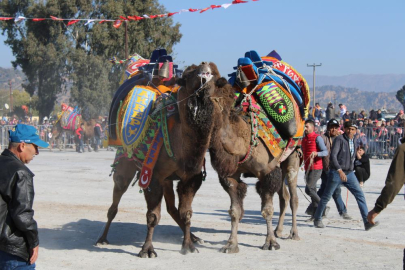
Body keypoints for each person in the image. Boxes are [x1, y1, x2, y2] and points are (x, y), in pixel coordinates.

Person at [0, 124, 49, 269]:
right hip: (12, 251)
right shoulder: (22, 173)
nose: (37, 152)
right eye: (35, 147)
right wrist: (34, 242)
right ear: (22, 145)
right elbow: (22, 215)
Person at [313, 121, 378, 230]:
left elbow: (352, 156)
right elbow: (333, 156)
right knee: (326, 197)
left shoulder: (355, 141)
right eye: (348, 128)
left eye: (353, 129)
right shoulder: (339, 140)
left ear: (356, 130)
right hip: (336, 173)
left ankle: (367, 222)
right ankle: (317, 218)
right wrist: (339, 170)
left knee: (360, 195)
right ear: (345, 129)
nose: (350, 131)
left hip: (349, 173)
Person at [307, 119, 351, 219]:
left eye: (336, 127)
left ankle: (312, 209)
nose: (334, 129)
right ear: (328, 128)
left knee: (324, 190)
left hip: (337, 168)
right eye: (332, 127)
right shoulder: (322, 138)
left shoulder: (341, 139)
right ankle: (342, 211)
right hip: (325, 168)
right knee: (335, 190)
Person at [301, 119, 329, 218]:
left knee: (309, 189)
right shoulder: (304, 139)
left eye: (307, 126)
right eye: (304, 126)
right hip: (308, 168)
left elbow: (325, 152)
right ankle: (316, 213)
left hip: (317, 168)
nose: (305, 128)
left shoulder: (317, 138)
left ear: (312, 128)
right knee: (313, 190)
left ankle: (323, 206)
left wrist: (317, 153)